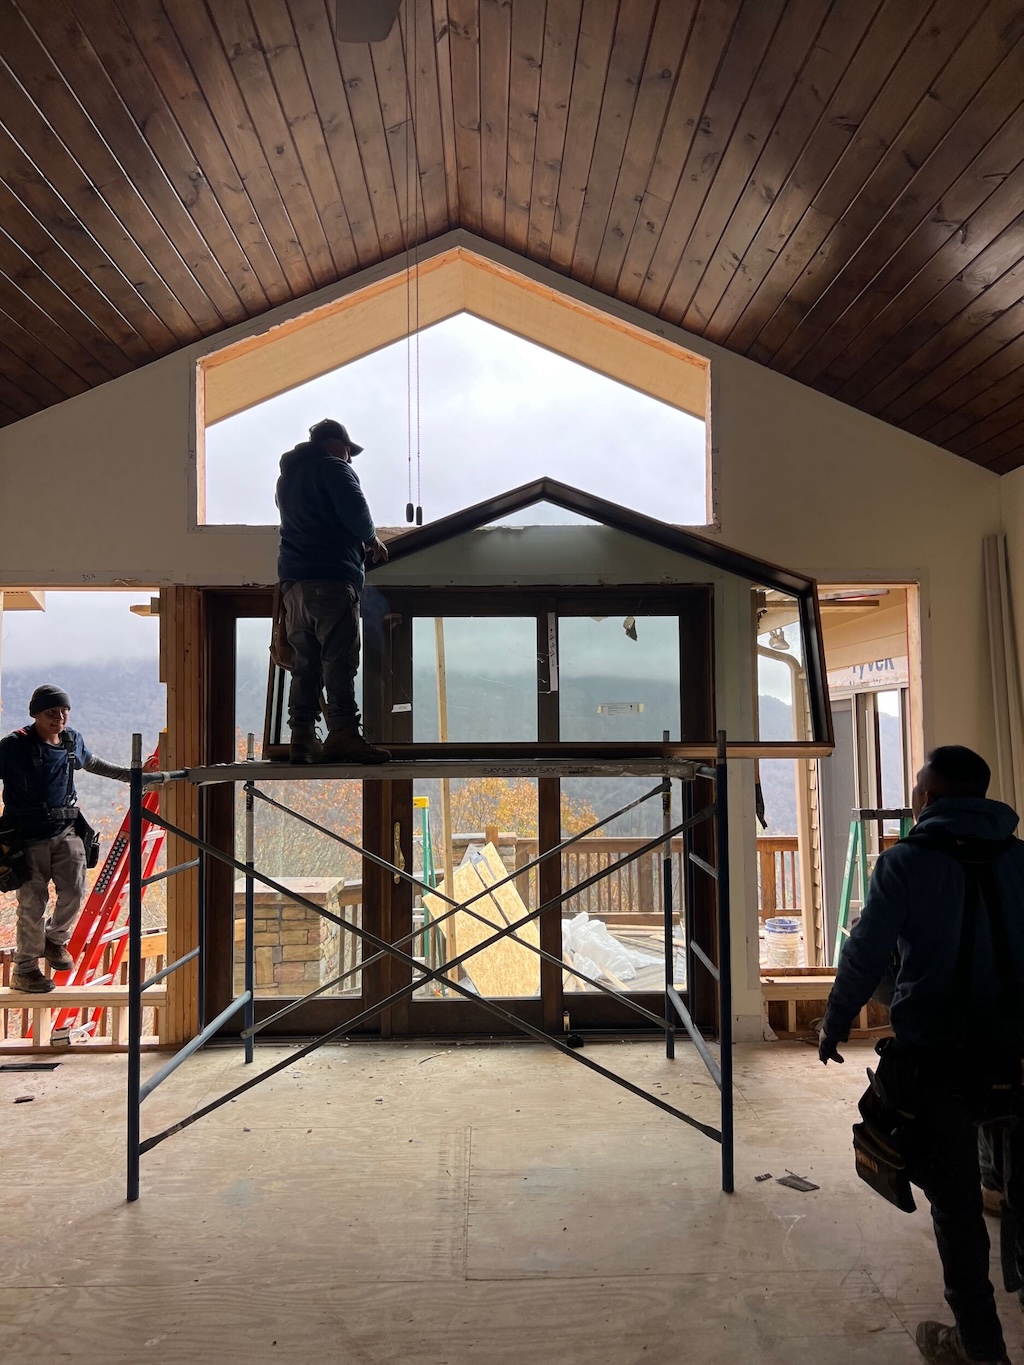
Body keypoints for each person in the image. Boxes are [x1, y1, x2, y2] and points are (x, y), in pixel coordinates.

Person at [820, 745, 1024, 1365]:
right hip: (1014, 1053)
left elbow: (863, 953)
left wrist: (835, 1022)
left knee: (957, 1210)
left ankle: (980, 1348)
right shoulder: (1020, 859)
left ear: (928, 799)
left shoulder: (905, 862)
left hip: (937, 1058)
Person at [0, 686, 137, 994]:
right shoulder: (14, 746)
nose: (59, 718)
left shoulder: (71, 740)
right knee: (33, 904)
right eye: (51, 712)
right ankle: (25, 970)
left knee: (75, 890)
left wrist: (131, 776)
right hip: (25, 839)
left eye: (64, 712)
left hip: (66, 830)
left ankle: (54, 940)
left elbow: (93, 763)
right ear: (35, 714)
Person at [276, 419, 391, 764]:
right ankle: (343, 733)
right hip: (330, 577)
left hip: (294, 585)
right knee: (339, 659)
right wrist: (372, 540)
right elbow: (356, 511)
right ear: (332, 444)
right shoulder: (333, 468)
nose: (350, 458)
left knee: (305, 663)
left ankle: (302, 738)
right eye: (348, 450)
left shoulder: (288, 478)